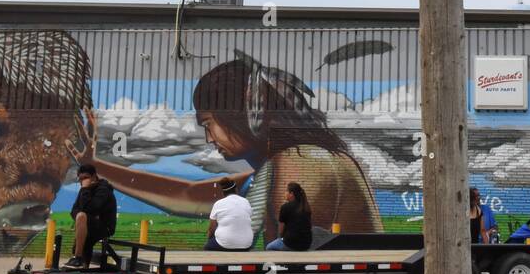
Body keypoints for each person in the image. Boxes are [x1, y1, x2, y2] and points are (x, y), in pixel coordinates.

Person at [67, 53, 382, 243]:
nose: (208, 137)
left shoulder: (302, 163)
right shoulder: (288, 161)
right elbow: (190, 196)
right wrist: (98, 168)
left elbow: (295, 253)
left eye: (209, 123)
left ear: (242, 116)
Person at [54, 163, 118, 274]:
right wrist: (83, 214)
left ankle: (76, 258)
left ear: (94, 176)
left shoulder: (103, 189)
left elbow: (93, 208)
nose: (83, 181)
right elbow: (74, 211)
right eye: (81, 179)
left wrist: (85, 191)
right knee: (83, 267)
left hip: (104, 227)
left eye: (86, 178)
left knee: (82, 216)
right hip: (90, 226)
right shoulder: (84, 190)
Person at [206, 177, 254, 251]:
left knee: (208, 247)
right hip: (246, 244)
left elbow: (211, 229)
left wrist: (209, 239)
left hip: (224, 244)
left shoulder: (218, 204)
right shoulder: (246, 202)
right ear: (236, 190)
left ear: (223, 193)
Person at [266, 182, 313, 251]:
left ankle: (282, 261)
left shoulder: (285, 207)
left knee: (269, 247)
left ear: (291, 194)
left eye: (286, 191)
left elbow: (281, 230)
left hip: (291, 243)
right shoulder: (306, 207)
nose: (284, 193)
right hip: (306, 244)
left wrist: (281, 237)